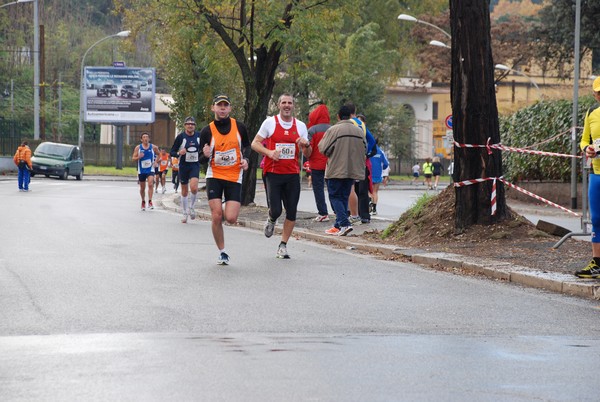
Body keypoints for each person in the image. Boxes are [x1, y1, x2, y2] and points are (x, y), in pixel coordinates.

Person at [251, 93, 311, 259]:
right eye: (284, 102)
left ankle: (283, 245)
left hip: (292, 174)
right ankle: (271, 220)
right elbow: (254, 143)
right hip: (273, 173)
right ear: (279, 105)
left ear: (293, 106)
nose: (287, 105)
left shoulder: (300, 126)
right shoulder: (270, 123)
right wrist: (269, 152)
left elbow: (308, 153)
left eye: (289, 103)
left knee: (292, 211)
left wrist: (306, 145)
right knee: (276, 210)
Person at [199, 94, 251, 265]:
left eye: (225, 105)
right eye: (219, 105)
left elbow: (247, 147)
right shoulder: (207, 131)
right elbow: (201, 158)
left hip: (234, 175)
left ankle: (220, 209)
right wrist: (205, 155)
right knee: (216, 217)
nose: (222, 108)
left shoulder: (240, 127)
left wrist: (246, 160)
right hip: (215, 175)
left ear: (229, 108)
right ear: (213, 108)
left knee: (230, 218)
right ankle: (222, 252)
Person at [318, 104, 366, 236]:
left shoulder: (334, 130)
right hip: (352, 170)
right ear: (351, 116)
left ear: (338, 116)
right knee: (344, 197)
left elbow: (322, 148)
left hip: (336, 169)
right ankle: (338, 225)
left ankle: (344, 224)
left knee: (335, 196)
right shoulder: (359, 131)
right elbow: (365, 149)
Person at [576, 76, 600, 279]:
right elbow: (584, 140)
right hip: (597, 173)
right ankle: (597, 263)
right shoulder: (592, 113)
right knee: (597, 219)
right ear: (594, 94)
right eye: (599, 92)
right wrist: (587, 149)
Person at [170, 116, 201, 223]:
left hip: (194, 165)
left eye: (192, 124)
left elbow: (205, 147)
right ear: (185, 126)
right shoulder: (180, 137)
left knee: (194, 187)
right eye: (188, 124)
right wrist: (179, 153)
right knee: (184, 191)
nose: (190, 125)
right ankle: (184, 212)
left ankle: (191, 207)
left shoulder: (199, 136)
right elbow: (172, 152)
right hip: (183, 166)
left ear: (195, 126)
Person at [307, 103, 331, 222]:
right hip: (330, 164)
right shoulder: (332, 129)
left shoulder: (312, 130)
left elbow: (308, 148)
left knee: (318, 189)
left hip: (316, 165)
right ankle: (338, 212)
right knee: (333, 189)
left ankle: (323, 213)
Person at [351, 111, 376, 224]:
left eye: (361, 121)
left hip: (363, 164)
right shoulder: (353, 129)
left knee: (362, 190)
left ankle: (364, 215)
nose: (359, 123)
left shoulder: (365, 130)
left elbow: (373, 144)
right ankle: (355, 213)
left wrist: (366, 153)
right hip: (353, 163)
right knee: (353, 189)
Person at [132, 132, 159, 210]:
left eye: (147, 137)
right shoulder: (138, 148)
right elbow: (133, 158)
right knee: (142, 188)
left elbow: (159, 154)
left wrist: (156, 161)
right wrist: (138, 157)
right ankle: (143, 201)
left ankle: (150, 201)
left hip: (150, 169)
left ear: (149, 139)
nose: (145, 138)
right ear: (141, 139)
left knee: (150, 184)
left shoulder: (153, 147)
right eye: (144, 137)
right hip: (142, 170)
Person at [369, 144, 389, 216]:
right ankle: (374, 209)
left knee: (369, 191)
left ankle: (369, 203)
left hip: (368, 173)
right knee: (375, 192)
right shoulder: (381, 152)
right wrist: (382, 169)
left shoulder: (368, 150)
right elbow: (386, 164)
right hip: (378, 174)